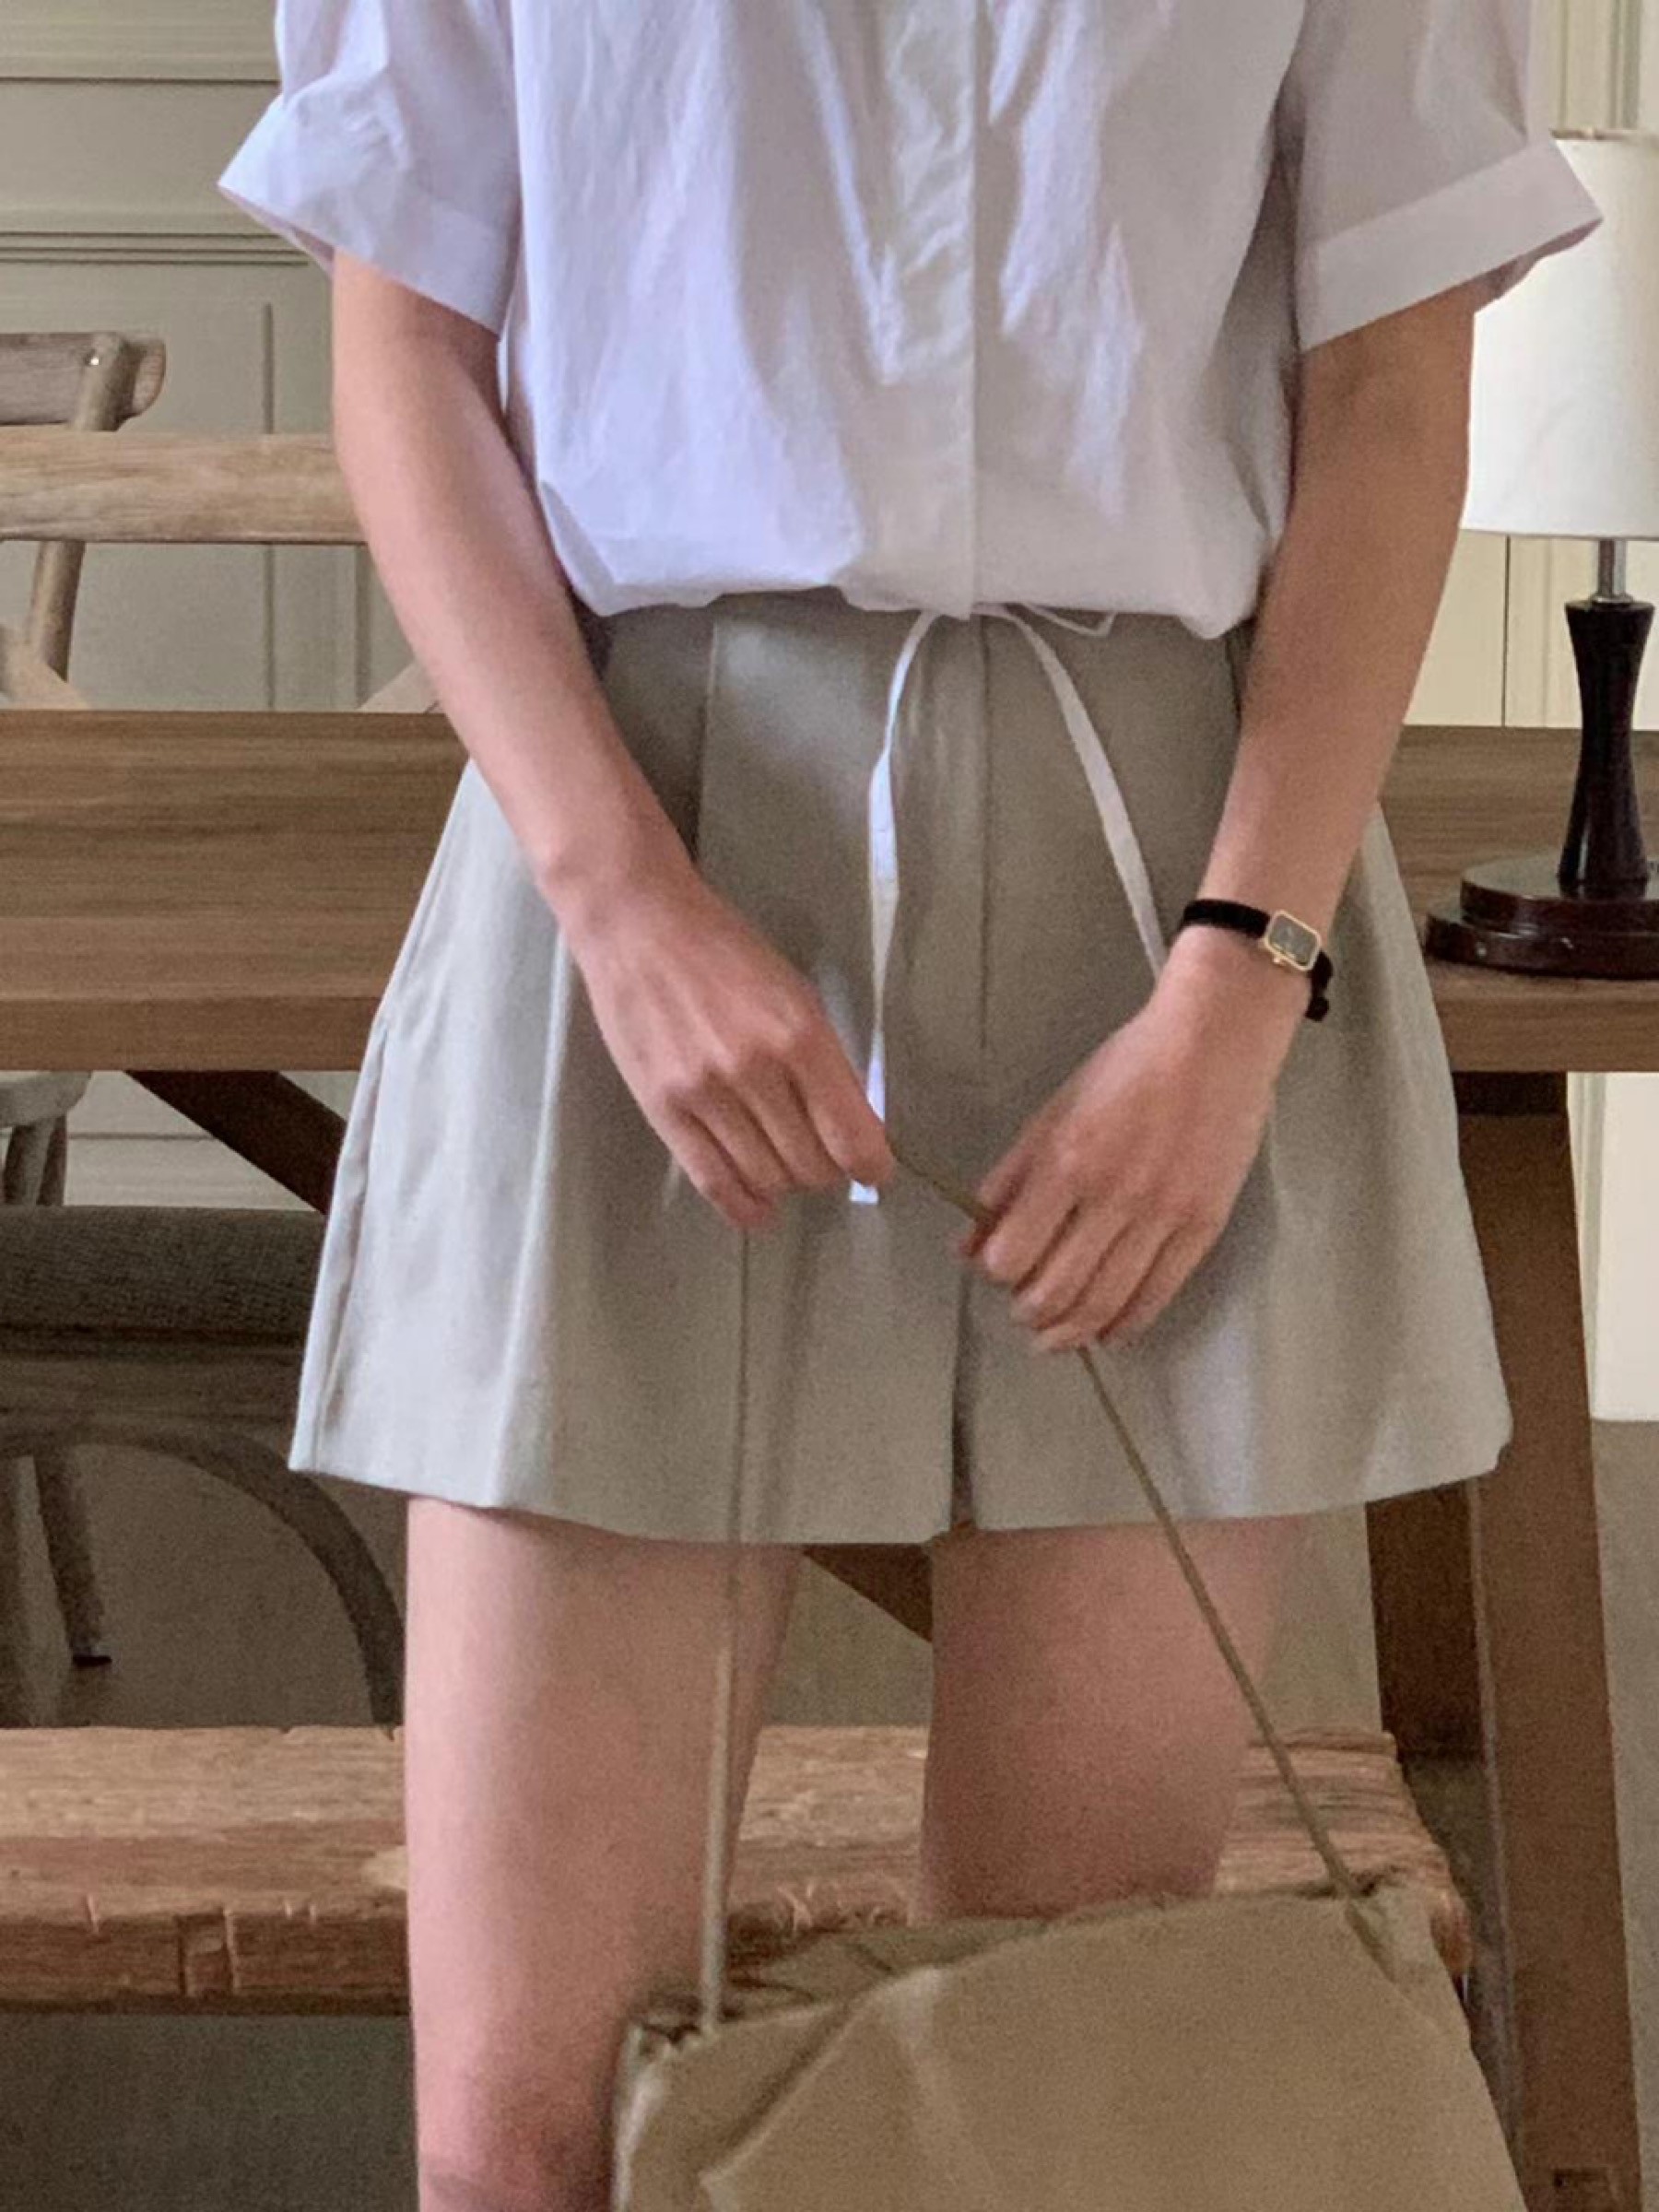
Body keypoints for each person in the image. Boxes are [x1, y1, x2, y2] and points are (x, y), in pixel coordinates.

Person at [218, 6, 1600, 2208]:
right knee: (518, 2138)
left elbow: (1388, 390)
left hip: (1169, 869)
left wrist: (1241, 982)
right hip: (640, 811)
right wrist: (616, 900)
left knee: (1033, 2094)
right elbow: (406, 338)